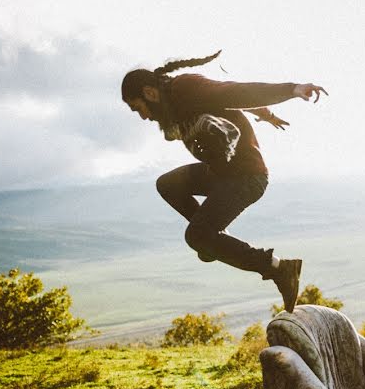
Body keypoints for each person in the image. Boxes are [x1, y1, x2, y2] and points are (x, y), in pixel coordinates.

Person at [121, 51, 327, 312]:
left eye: (138, 108)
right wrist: (266, 115)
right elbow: (227, 102)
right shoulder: (172, 108)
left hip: (247, 177)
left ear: (150, 93)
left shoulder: (185, 88)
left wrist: (292, 89)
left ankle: (280, 268)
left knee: (195, 236)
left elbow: (234, 92)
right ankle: (214, 240)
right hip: (220, 174)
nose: (143, 117)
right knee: (167, 184)